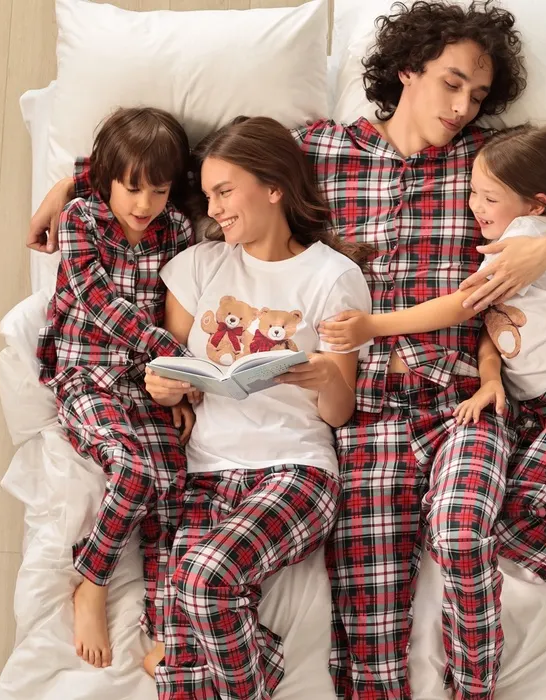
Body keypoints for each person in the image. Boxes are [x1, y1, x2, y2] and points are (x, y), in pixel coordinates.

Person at [26, 3, 546, 698]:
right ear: (408, 71)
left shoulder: (487, 164)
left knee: (464, 537)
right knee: (369, 645)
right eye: (452, 83)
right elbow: (187, 167)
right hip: (362, 418)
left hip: (458, 398)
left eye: (478, 94)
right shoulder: (315, 150)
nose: (463, 106)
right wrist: (74, 183)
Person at [319, 122, 546, 655]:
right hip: (538, 409)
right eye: (472, 193)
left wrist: (372, 326)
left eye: (488, 197)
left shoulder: (525, 238)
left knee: (509, 518)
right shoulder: (509, 238)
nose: (474, 207)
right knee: (499, 520)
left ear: (534, 203)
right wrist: (487, 377)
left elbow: (464, 306)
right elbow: (489, 326)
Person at [142, 116, 373, 700]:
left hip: (296, 472)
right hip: (205, 474)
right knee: (180, 673)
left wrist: (326, 375)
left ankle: (259, 668)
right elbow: (171, 368)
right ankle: (258, 667)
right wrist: (165, 387)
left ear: (273, 186)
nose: (214, 209)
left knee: (204, 581)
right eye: (209, 195)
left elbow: (338, 413)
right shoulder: (200, 265)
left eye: (224, 192)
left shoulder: (332, 277)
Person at [36, 107, 196, 669]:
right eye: (132, 189)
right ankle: (92, 581)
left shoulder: (177, 231)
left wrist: (181, 383)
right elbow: (101, 305)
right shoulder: (81, 218)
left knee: (172, 484)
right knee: (131, 471)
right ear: (105, 180)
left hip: (143, 382)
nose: (144, 204)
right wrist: (174, 355)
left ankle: (165, 630)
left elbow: (176, 304)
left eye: (159, 190)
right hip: (84, 374)